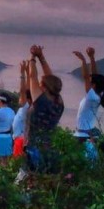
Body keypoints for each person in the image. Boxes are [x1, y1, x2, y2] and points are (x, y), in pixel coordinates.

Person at [24, 44, 65, 173]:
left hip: (33, 148)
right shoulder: (59, 102)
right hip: (49, 147)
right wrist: (41, 57)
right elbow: (52, 80)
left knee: (28, 180)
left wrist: (32, 57)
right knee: (45, 180)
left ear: (45, 88)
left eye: (41, 85)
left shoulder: (40, 101)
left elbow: (32, 77)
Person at [73, 47, 104, 147]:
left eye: (91, 82)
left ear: (93, 85)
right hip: (87, 133)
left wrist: (83, 60)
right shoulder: (99, 94)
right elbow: (95, 76)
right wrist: (92, 57)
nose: (89, 81)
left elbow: (86, 77)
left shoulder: (92, 97)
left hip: (82, 136)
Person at [12, 61, 32, 158]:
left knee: (17, 162)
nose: (19, 98)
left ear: (27, 99)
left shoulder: (25, 107)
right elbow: (28, 90)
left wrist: (22, 74)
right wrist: (28, 73)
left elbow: (23, 90)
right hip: (20, 138)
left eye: (22, 97)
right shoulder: (27, 106)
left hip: (20, 139)